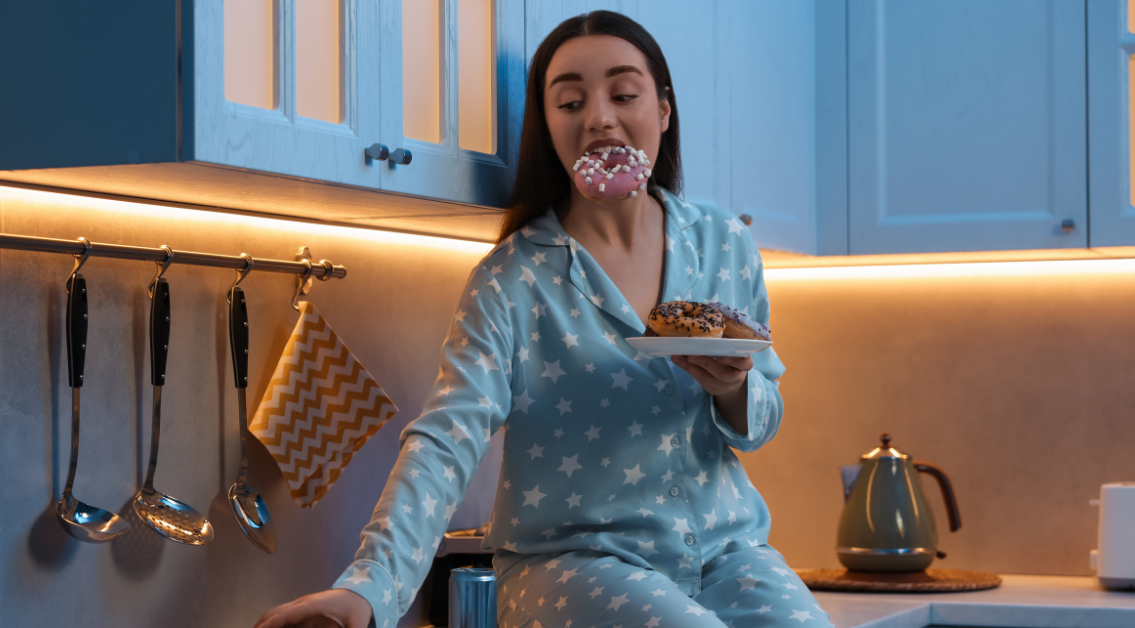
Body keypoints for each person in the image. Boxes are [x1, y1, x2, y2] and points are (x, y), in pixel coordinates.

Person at [255, 11, 834, 628]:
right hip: (572, 564)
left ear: (663, 110)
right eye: (570, 102)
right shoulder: (512, 279)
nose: (599, 117)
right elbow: (445, 439)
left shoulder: (725, 243)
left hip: (728, 555)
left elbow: (763, 416)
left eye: (624, 93)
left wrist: (737, 389)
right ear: (549, 129)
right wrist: (369, 587)